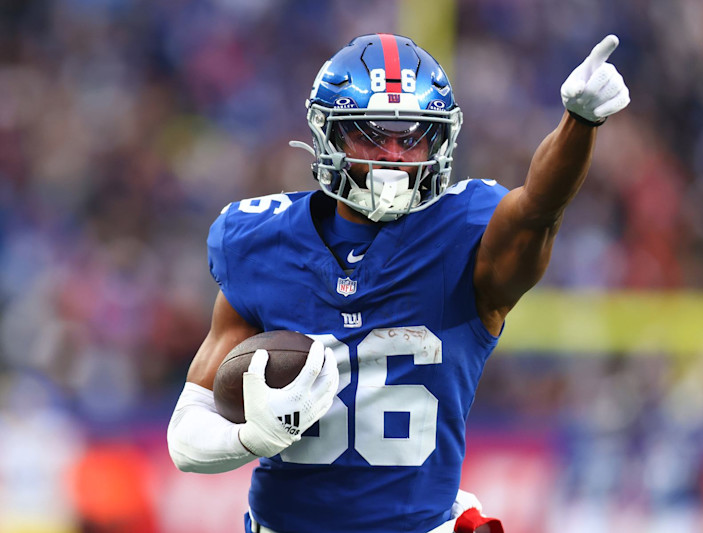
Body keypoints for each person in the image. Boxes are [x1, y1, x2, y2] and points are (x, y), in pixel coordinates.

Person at [167, 33, 629, 533]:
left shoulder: (464, 236)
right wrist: (252, 437)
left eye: (412, 138)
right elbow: (186, 437)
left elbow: (540, 208)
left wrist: (579, 123)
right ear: (329, 137)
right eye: (370, 135)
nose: (394, 156)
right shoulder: (262, 242)